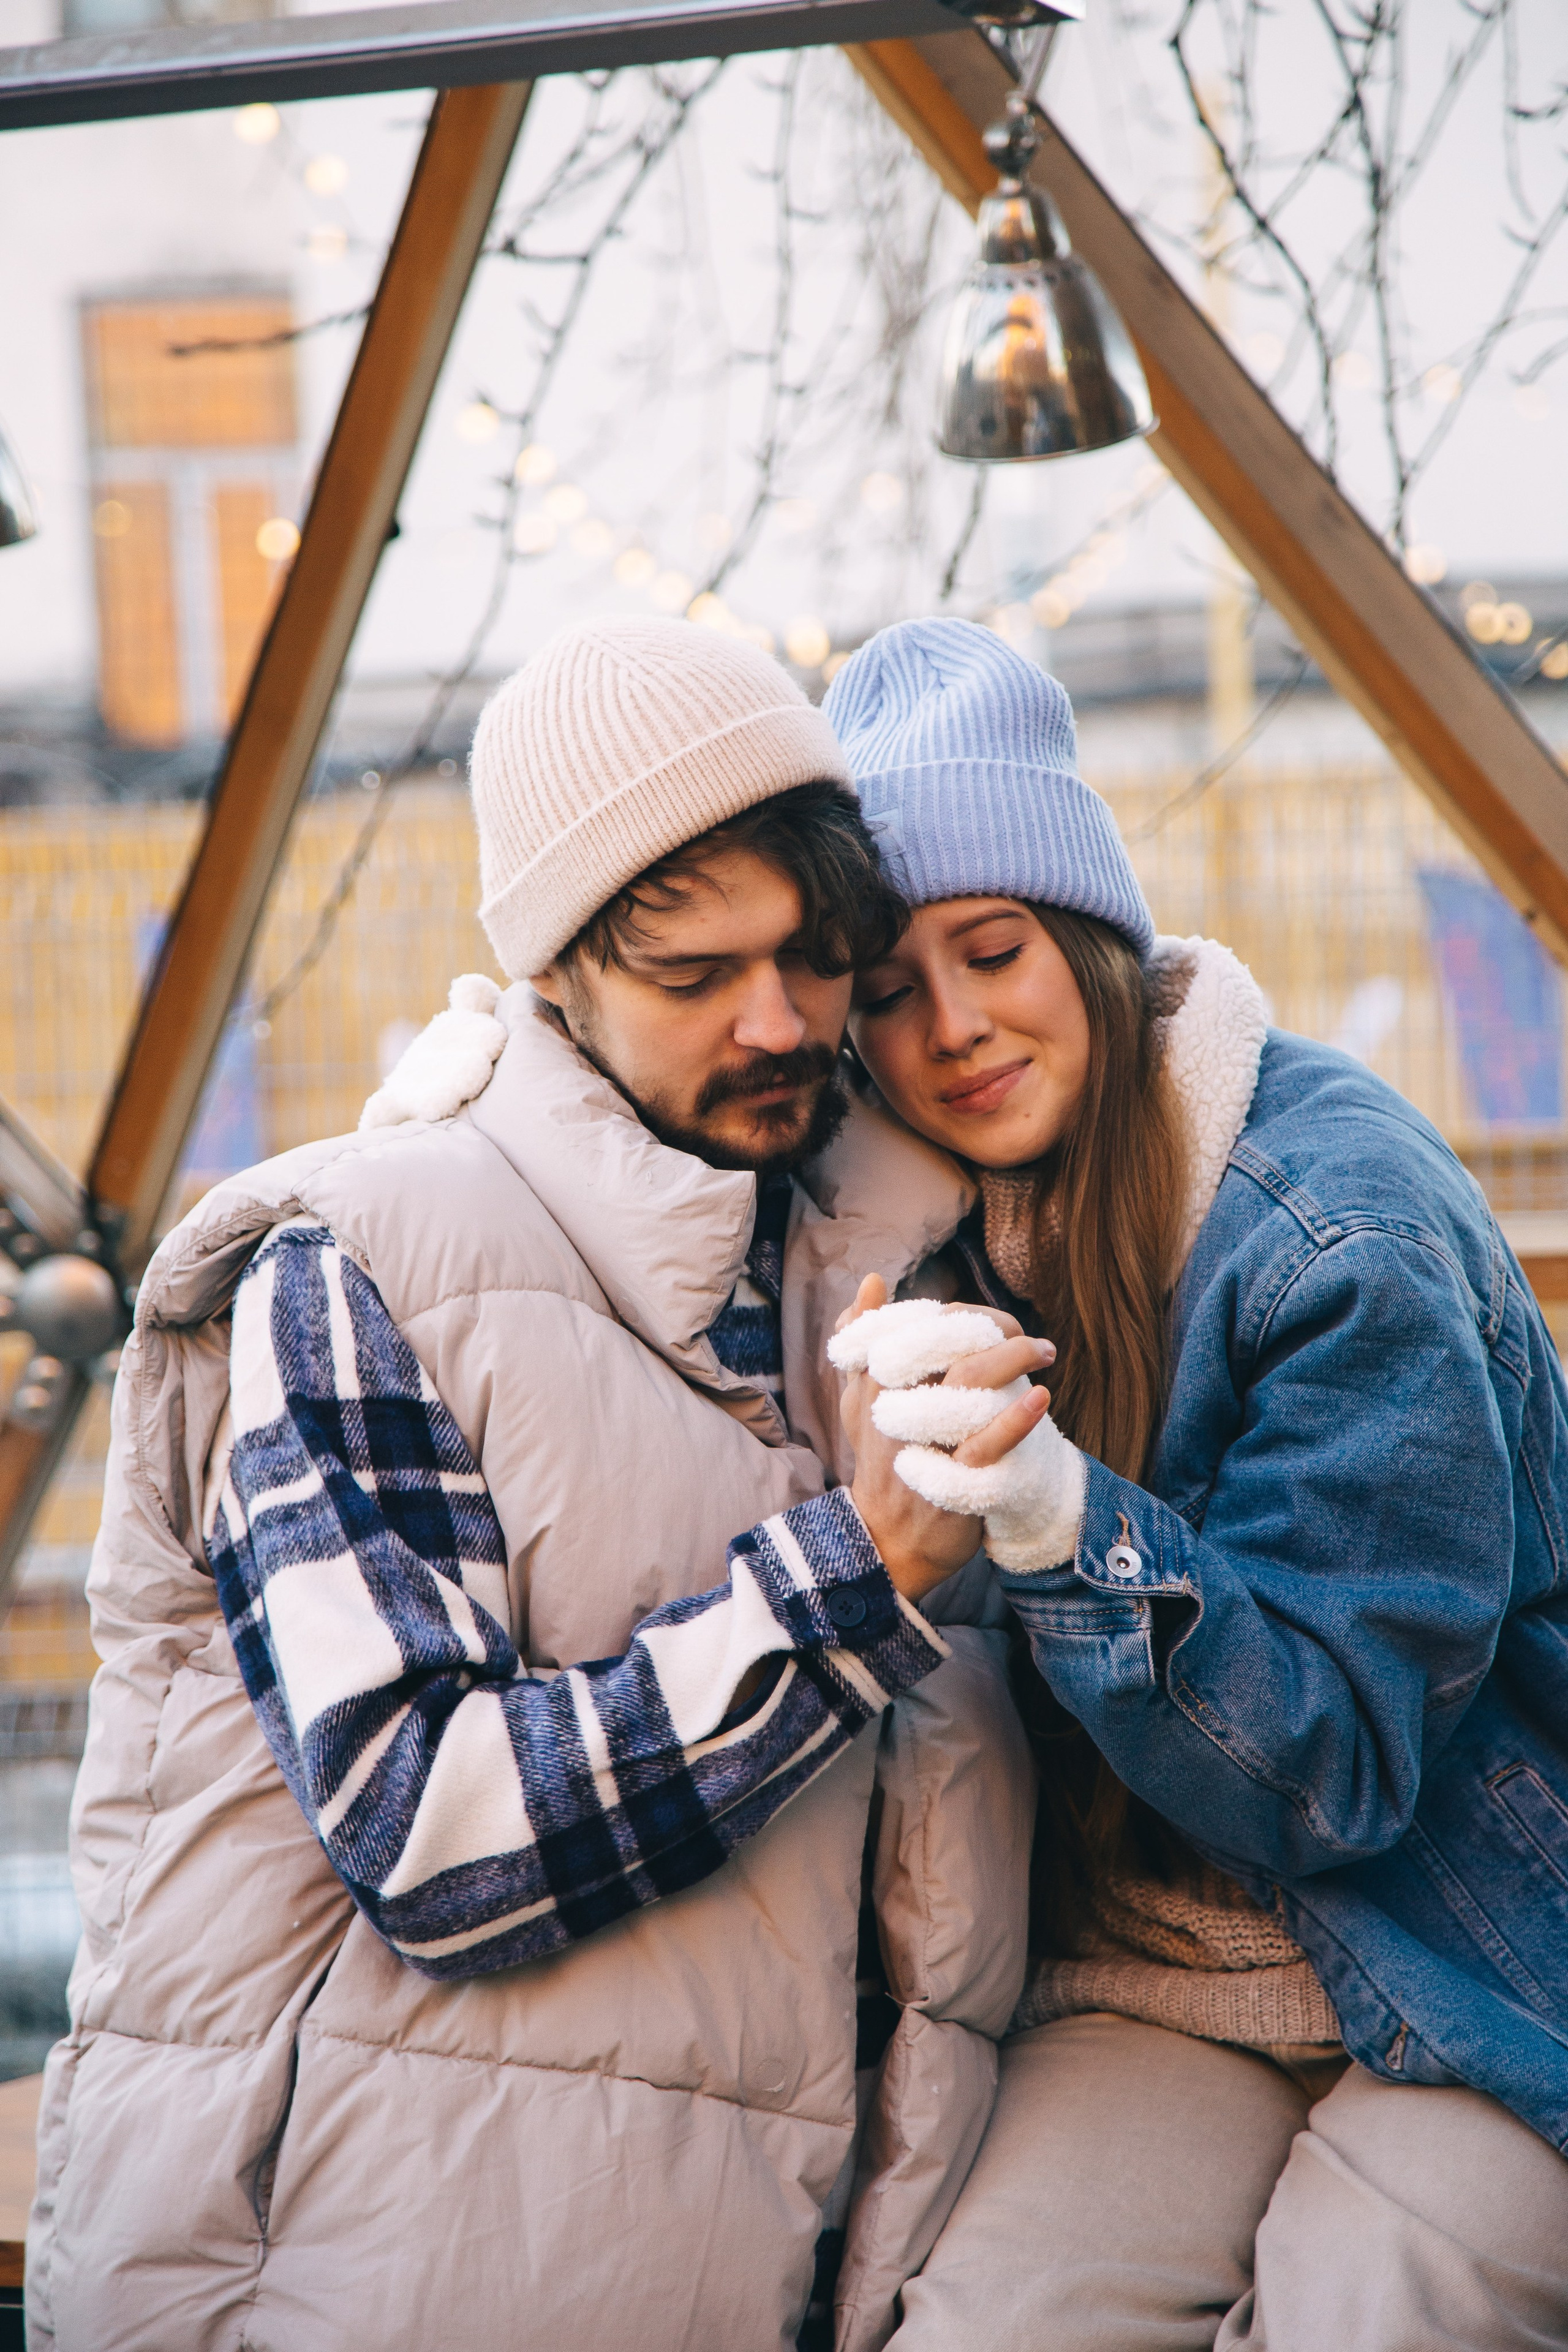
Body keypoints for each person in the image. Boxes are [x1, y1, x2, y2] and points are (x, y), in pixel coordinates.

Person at [29, 620, 1039, 2352]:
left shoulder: (880, 1243)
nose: (778, 1020)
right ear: (558, 975)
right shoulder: (362, 1269)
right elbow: (432, 1833)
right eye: (694, 974)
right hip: (359, 2280)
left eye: (810, 953)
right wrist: (854, 1580)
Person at [807, 616, 1568, 2350]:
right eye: (889, 994)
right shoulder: (931, 1228)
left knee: (1377, 2314)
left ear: (1085, 930)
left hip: (1480, 1944)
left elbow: (1341, 1764)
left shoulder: (1337, 1235)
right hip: (1159, 1973)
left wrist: (1062, 1523)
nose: (954, 1029)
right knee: (989, 2324)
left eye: (992, 951)